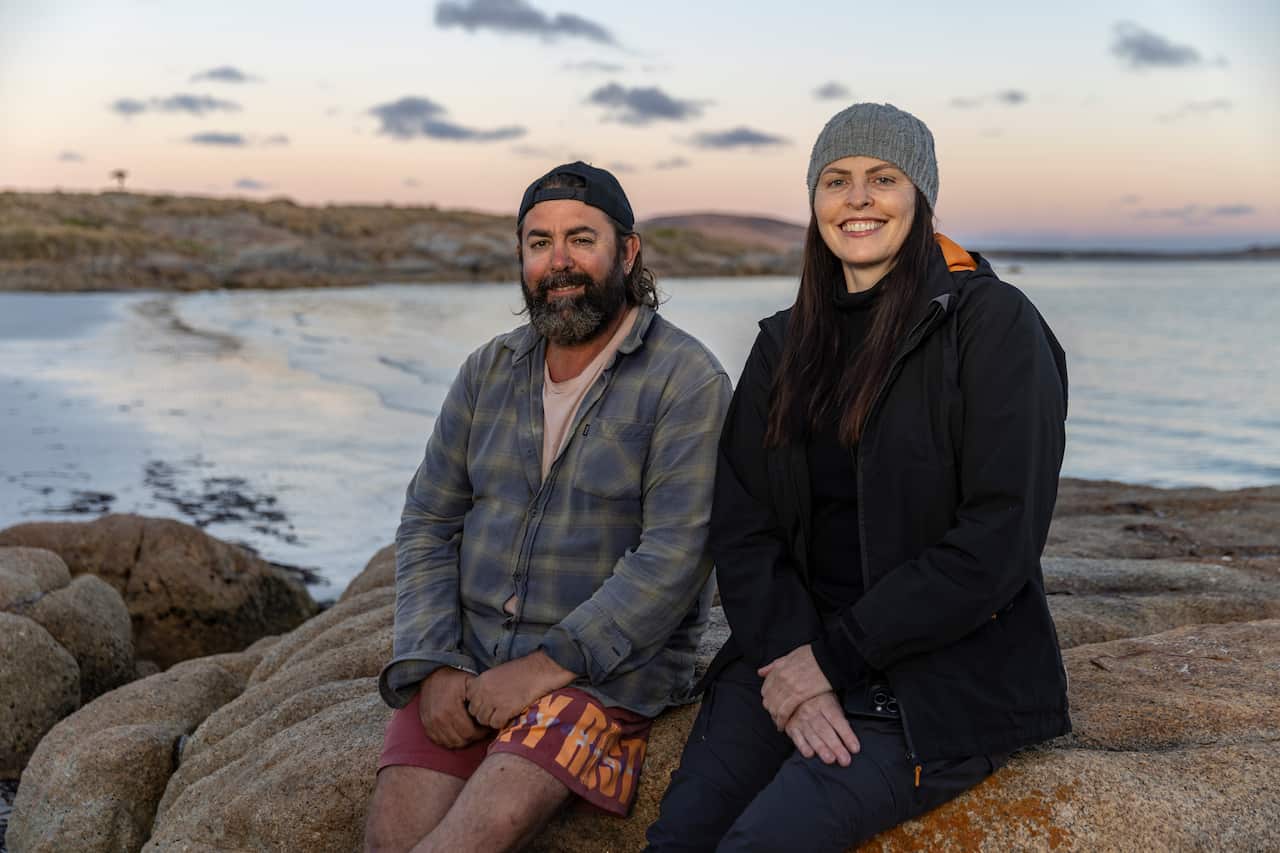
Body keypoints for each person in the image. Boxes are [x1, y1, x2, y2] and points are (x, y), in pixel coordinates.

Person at [646, 103, 1071, 852]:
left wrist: (831, 662)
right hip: (788, 650)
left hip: (938, 676)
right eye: (836, 180)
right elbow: (744, 525)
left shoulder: (993, 324)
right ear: (814, 201)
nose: (859, 198)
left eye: (884, 177)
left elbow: (1000, 539)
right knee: (677, 838)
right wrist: (788, 658)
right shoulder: (785, 341)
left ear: (921, 194)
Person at [365, 162, 732, 853]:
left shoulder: (687, 380)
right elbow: (429, 522)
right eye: (539, 243)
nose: (558, 262)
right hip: (469, 655)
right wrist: (433, 660)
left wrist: (541, 669)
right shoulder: (486, 371)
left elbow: (675, 557)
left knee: (468, 839)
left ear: (627, 252)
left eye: (580, 239)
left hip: (604, 676)